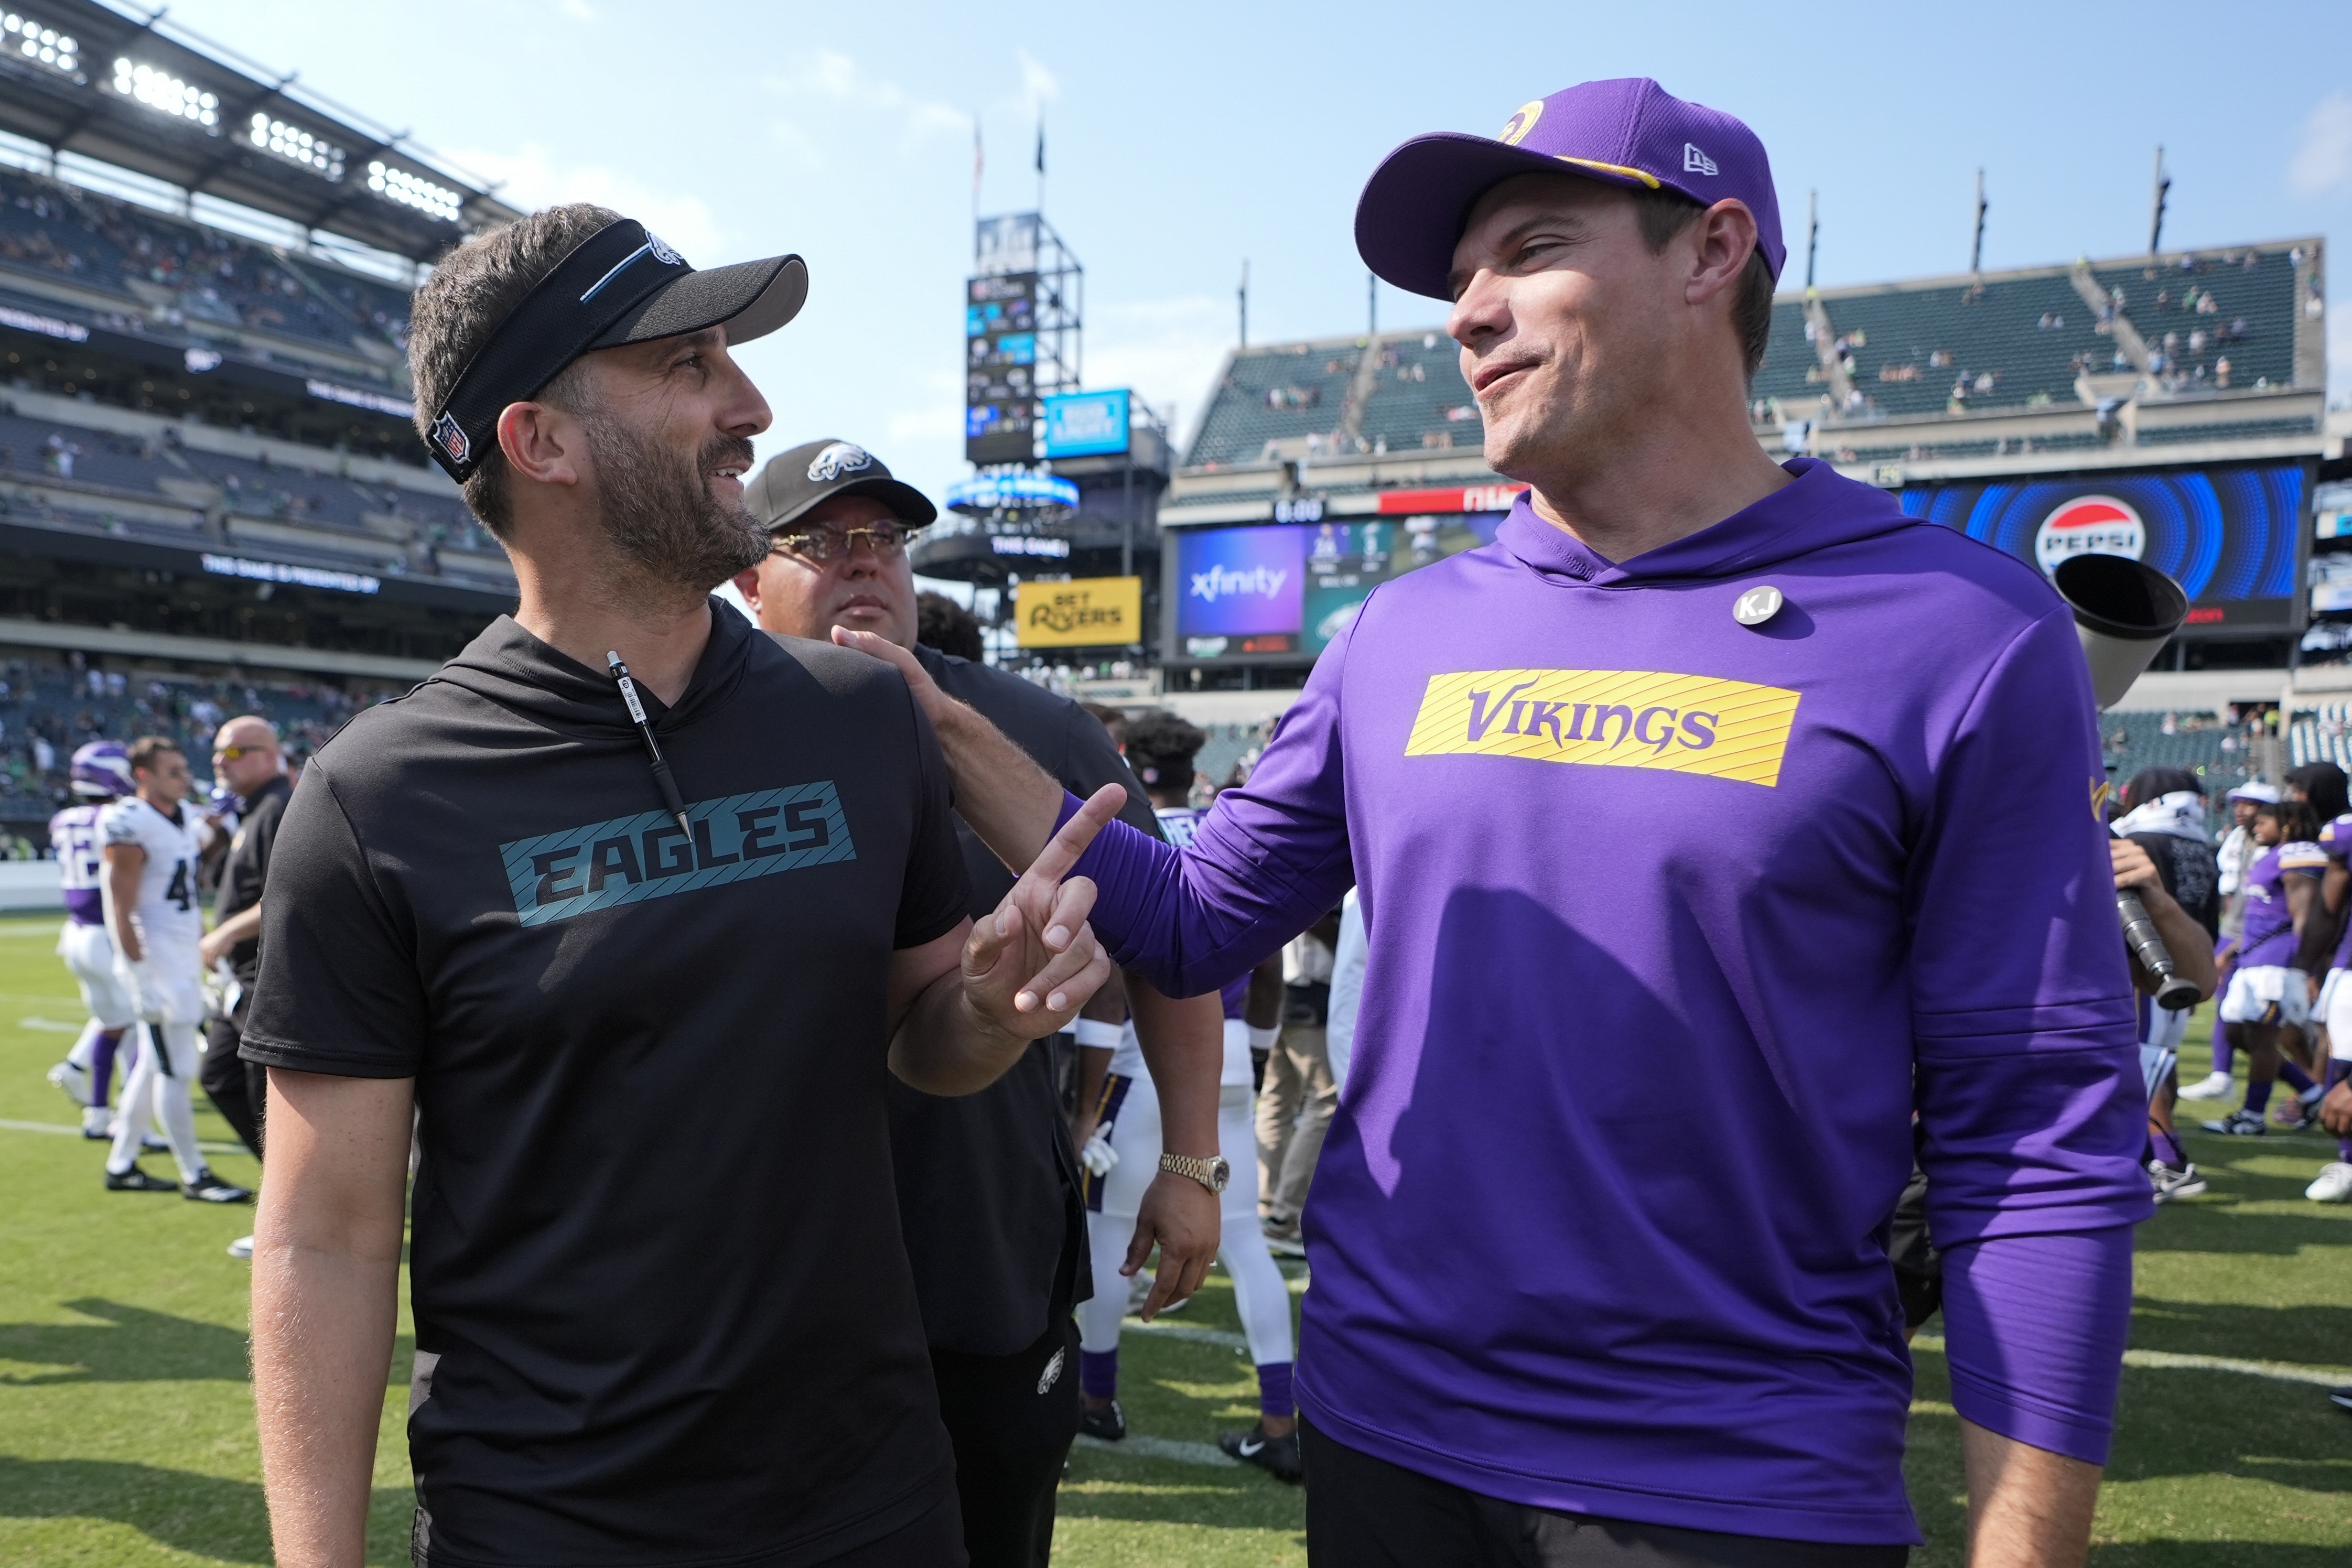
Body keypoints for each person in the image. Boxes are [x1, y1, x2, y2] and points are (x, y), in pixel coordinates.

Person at [842, 78, 2150, 1565]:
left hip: (1723, 1485)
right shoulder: (1401, 632)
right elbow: (1194, 915)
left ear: (1711, 250)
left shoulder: (1960, 631)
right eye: (1457, 279)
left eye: (1528, 251)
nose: (1466, 312)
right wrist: (928, 717)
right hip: (1383, 1439)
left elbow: (2035, 1135)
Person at [241, 206, 1117, 1568]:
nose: (751, 405)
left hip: (873, 1500)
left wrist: (989, 1010)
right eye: (690, 363)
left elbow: (923, 1046)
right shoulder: (375, 799)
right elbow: (326, 1234)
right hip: (545, 1523)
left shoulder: (861, 718)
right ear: (540, 441)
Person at [729, 438, 1222, 1566]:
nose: (865, 563)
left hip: (977, 1242)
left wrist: (1189, 1160)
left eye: (885, 539)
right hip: (757, 1264)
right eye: (822, 539)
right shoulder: (694, 728)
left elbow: (1172, 943)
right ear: (748, 577)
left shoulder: (1034, 728)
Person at [1063, 707, 1302, 1482]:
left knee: (1108, 1246)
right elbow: (1266, 964)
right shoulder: (1231, 827)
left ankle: (1095, 1402)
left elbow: (1106, 986)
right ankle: (1279, 1415)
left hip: (1144, 1073)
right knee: (1245, 1243)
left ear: (1127, 756)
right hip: (1227, 1060)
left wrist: (1081, 1108)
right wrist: (1255, 1062)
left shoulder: (1119, 833)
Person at [100, 737, 250, 1204]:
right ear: (144, 775)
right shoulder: (127, 820)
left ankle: (122, 1162)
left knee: (155, 1066)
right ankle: (195, 1172)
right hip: (156, 958)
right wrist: (139, 975)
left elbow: (206, 849)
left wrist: (223, 820)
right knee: (175, 1068)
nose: (184, 778)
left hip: (183, 952)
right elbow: (118, 907)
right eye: (172, 771)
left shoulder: (183, 815)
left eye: (184, 769)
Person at [198, 716, 289, 1263]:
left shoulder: (281, 807)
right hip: (239, 979)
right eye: (216, 755)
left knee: (264, 1103)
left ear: (264, 754)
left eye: (230, 754)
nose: (219, 764)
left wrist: (224, 933)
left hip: (266, 976)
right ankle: (295, 1195)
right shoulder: (251, 811)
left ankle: (287, 1213)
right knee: (220, 1077)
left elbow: (287, 893)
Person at [2109, 768, 2221, 1199]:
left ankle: (2163, 1163)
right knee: (2159, 1069)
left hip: (2146, 970)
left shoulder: (2138, 838)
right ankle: (2161, 1158)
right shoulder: (2200, 842)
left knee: (2141, 1073)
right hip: (2184, 963)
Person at [2204, 797, 2327, 1136]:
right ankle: (2313, 1091)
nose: (2255, 827)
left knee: (2262, 1037)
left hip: (2278, 962)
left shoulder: (2298, 853)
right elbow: (2264, 914)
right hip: (2253, 957)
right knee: (2236, 1032)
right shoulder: (2271, 855)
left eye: (2263, 822)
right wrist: (2231, 953)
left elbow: (2303, 916)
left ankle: (2252, 1116)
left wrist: (2305, 969)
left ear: (2286, 825)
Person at [44, 740, 138, 1139]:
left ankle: (97, 1115)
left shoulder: (62, 820)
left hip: (75, 933)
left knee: (110, 1022)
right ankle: (133, 1120)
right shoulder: (118, 816)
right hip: (107, 932)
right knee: (136, 1028)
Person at [2184, 782, 2273, 1099]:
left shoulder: (2270, 851)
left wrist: (2231, 948)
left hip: (2254, 938)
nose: (2240, 809)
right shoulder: (2238, 839)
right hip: (2234, 932)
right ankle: (2222, 1075)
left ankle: (2308, 1087)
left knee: (2258, 1026)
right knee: (2232, 1014)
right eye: (2238, 803)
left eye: (2250, 804)